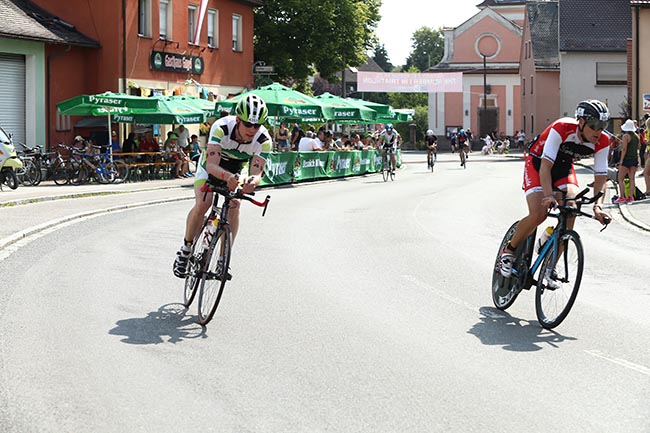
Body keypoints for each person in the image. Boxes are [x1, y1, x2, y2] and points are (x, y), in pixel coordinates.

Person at [498, 99, 612, 280]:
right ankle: (509, 252)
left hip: (563, 167)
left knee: (573, 208)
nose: (599, 131)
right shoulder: (562, 127)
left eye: (603, 125)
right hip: (538, 163)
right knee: (539, 213)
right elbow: (545, 167)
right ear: (581, 123)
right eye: (595, 125)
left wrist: (598, 207)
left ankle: (550, 266)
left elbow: (600, 179)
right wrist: (549, 195)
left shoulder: (603, 140)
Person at [173, 94, 271, 278]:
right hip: (211, 165)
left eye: (257, 125)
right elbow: (210, 165)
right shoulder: (221, 127)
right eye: (248, 124)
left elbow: (257, 173)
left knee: (235, 204)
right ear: (238, 120)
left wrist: (252, 182)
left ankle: (223, 259)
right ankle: (185, 250)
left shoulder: (264, 140)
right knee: (204, 203)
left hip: (237, 168)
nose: (252, 129)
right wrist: (226, 177)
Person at [614, 119, 640, 203]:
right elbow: (638, 148)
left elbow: (624, 149)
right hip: (634, 159)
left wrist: (621, 160)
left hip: (626, 159)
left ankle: (621, 197)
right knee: (632, 179)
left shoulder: (625, 136)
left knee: (620, 179)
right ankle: (630, 197)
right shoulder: (637, 136)